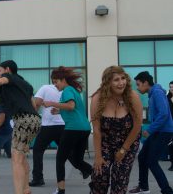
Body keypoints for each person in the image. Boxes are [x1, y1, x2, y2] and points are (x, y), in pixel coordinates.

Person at [0, 60, 41, 194]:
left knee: (16, 159)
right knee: (21, 156)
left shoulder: (10, 78)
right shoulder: (25, 84)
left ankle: (19, 192)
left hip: (23, 120)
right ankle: (26, 189)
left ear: (8, 69)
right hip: (35, 120)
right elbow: (33, 105)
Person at [89, 66, 142, 194]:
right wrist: (98, 156)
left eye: (123, 78)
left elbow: (137, 125)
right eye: (116, 80)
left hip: (128, 142)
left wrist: (123, 150)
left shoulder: (132, 96)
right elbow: (96, 129)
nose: (121, 83)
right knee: (99, 176)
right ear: (108, 83)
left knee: (120, 180)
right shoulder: (98, 98)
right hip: (105, 142)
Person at [29, 84, 91, 188]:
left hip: (48, 126)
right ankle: (85, 170)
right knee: (67, 153)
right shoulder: (66, 90)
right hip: (63, 125)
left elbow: (37, 103)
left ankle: (38, 178)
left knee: (38, 150)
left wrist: (32, 103)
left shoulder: (45, 88)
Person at [43, 66, 92, 194]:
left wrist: (52, 103)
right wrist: (59, 110)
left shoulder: (67, 90)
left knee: (60, 160)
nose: (55, 85)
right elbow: (75, 109)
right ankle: (95, 174)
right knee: (77, 159)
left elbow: (71, 106)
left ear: (63, 80)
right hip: (84, 128)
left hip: (73, 129)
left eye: (56, 82)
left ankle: (61, 190)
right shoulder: (74, 90)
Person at [129, 71, 173, 194]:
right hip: (158, 131)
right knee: (142, 157)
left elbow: (163, 114)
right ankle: (143, 187)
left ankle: (167, 191)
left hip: (163, 132)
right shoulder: (153, 94)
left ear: (146, 83)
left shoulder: (157, 93)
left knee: (152, 161)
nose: (137, 88)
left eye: (138, 85)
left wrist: (150, 129)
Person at [167, 81, 173, 171]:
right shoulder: (166, 98)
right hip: (170, 124)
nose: (172, 88)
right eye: (171, 87)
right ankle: (172, 163)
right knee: (171, 145)